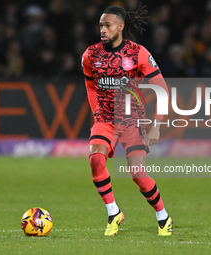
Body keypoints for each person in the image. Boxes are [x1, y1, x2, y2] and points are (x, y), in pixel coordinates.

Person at [82, 4, 172, 236]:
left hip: (132, 119)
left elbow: (161, 88)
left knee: (137, 174)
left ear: (120, 26)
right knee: (95, 160)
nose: (102, 29)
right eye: (101, 25)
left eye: (107, 25)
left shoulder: (138, 53)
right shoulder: (90, 55)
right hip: (105, 119)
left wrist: (157, 125)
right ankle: (114, 212)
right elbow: (91, 87)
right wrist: (97, 114)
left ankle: (163, 216)